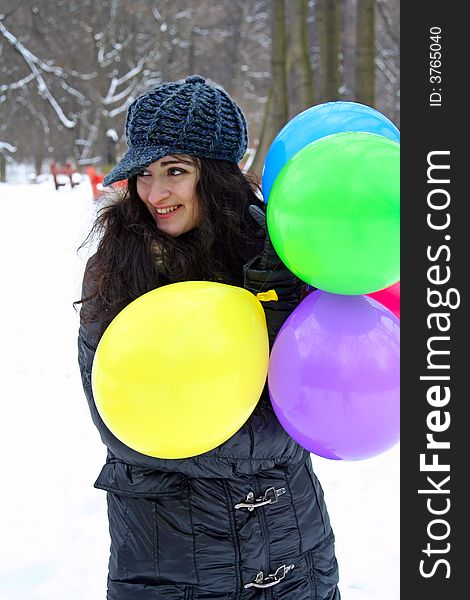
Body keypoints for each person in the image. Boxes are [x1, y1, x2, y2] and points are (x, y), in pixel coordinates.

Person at [77, 74, 341, 600]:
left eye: (176, 171)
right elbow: (124, 425)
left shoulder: (287, 258)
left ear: (218, 176)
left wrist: (289, 315)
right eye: (145, 174)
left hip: (291, 545)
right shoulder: (115, 269)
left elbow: (328, 403)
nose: (155, 194)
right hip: (169, 559)